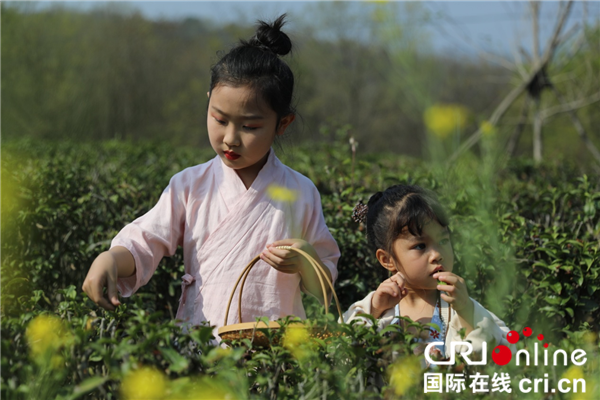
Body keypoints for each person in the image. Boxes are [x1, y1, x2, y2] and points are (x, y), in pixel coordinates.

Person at [82, 14, 340, 338]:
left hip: (276, 356)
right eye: (219, 119)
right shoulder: (189, 186)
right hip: (202, 345)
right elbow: (146, 240)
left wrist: (305, 258)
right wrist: (111, 259)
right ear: (208, 105)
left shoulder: (301, 192)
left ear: (282, 124)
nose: (231, 138)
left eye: (250, 127)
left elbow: (325, 283)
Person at [343, 184, 511, 359]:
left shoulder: (461, 308)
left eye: (444, 241)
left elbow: (503, 353)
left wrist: (466, 312)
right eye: (420, 246)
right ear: (387, 260)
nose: (437, 255)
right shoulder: (378, 309)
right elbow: (343, 353)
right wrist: (374, 310)